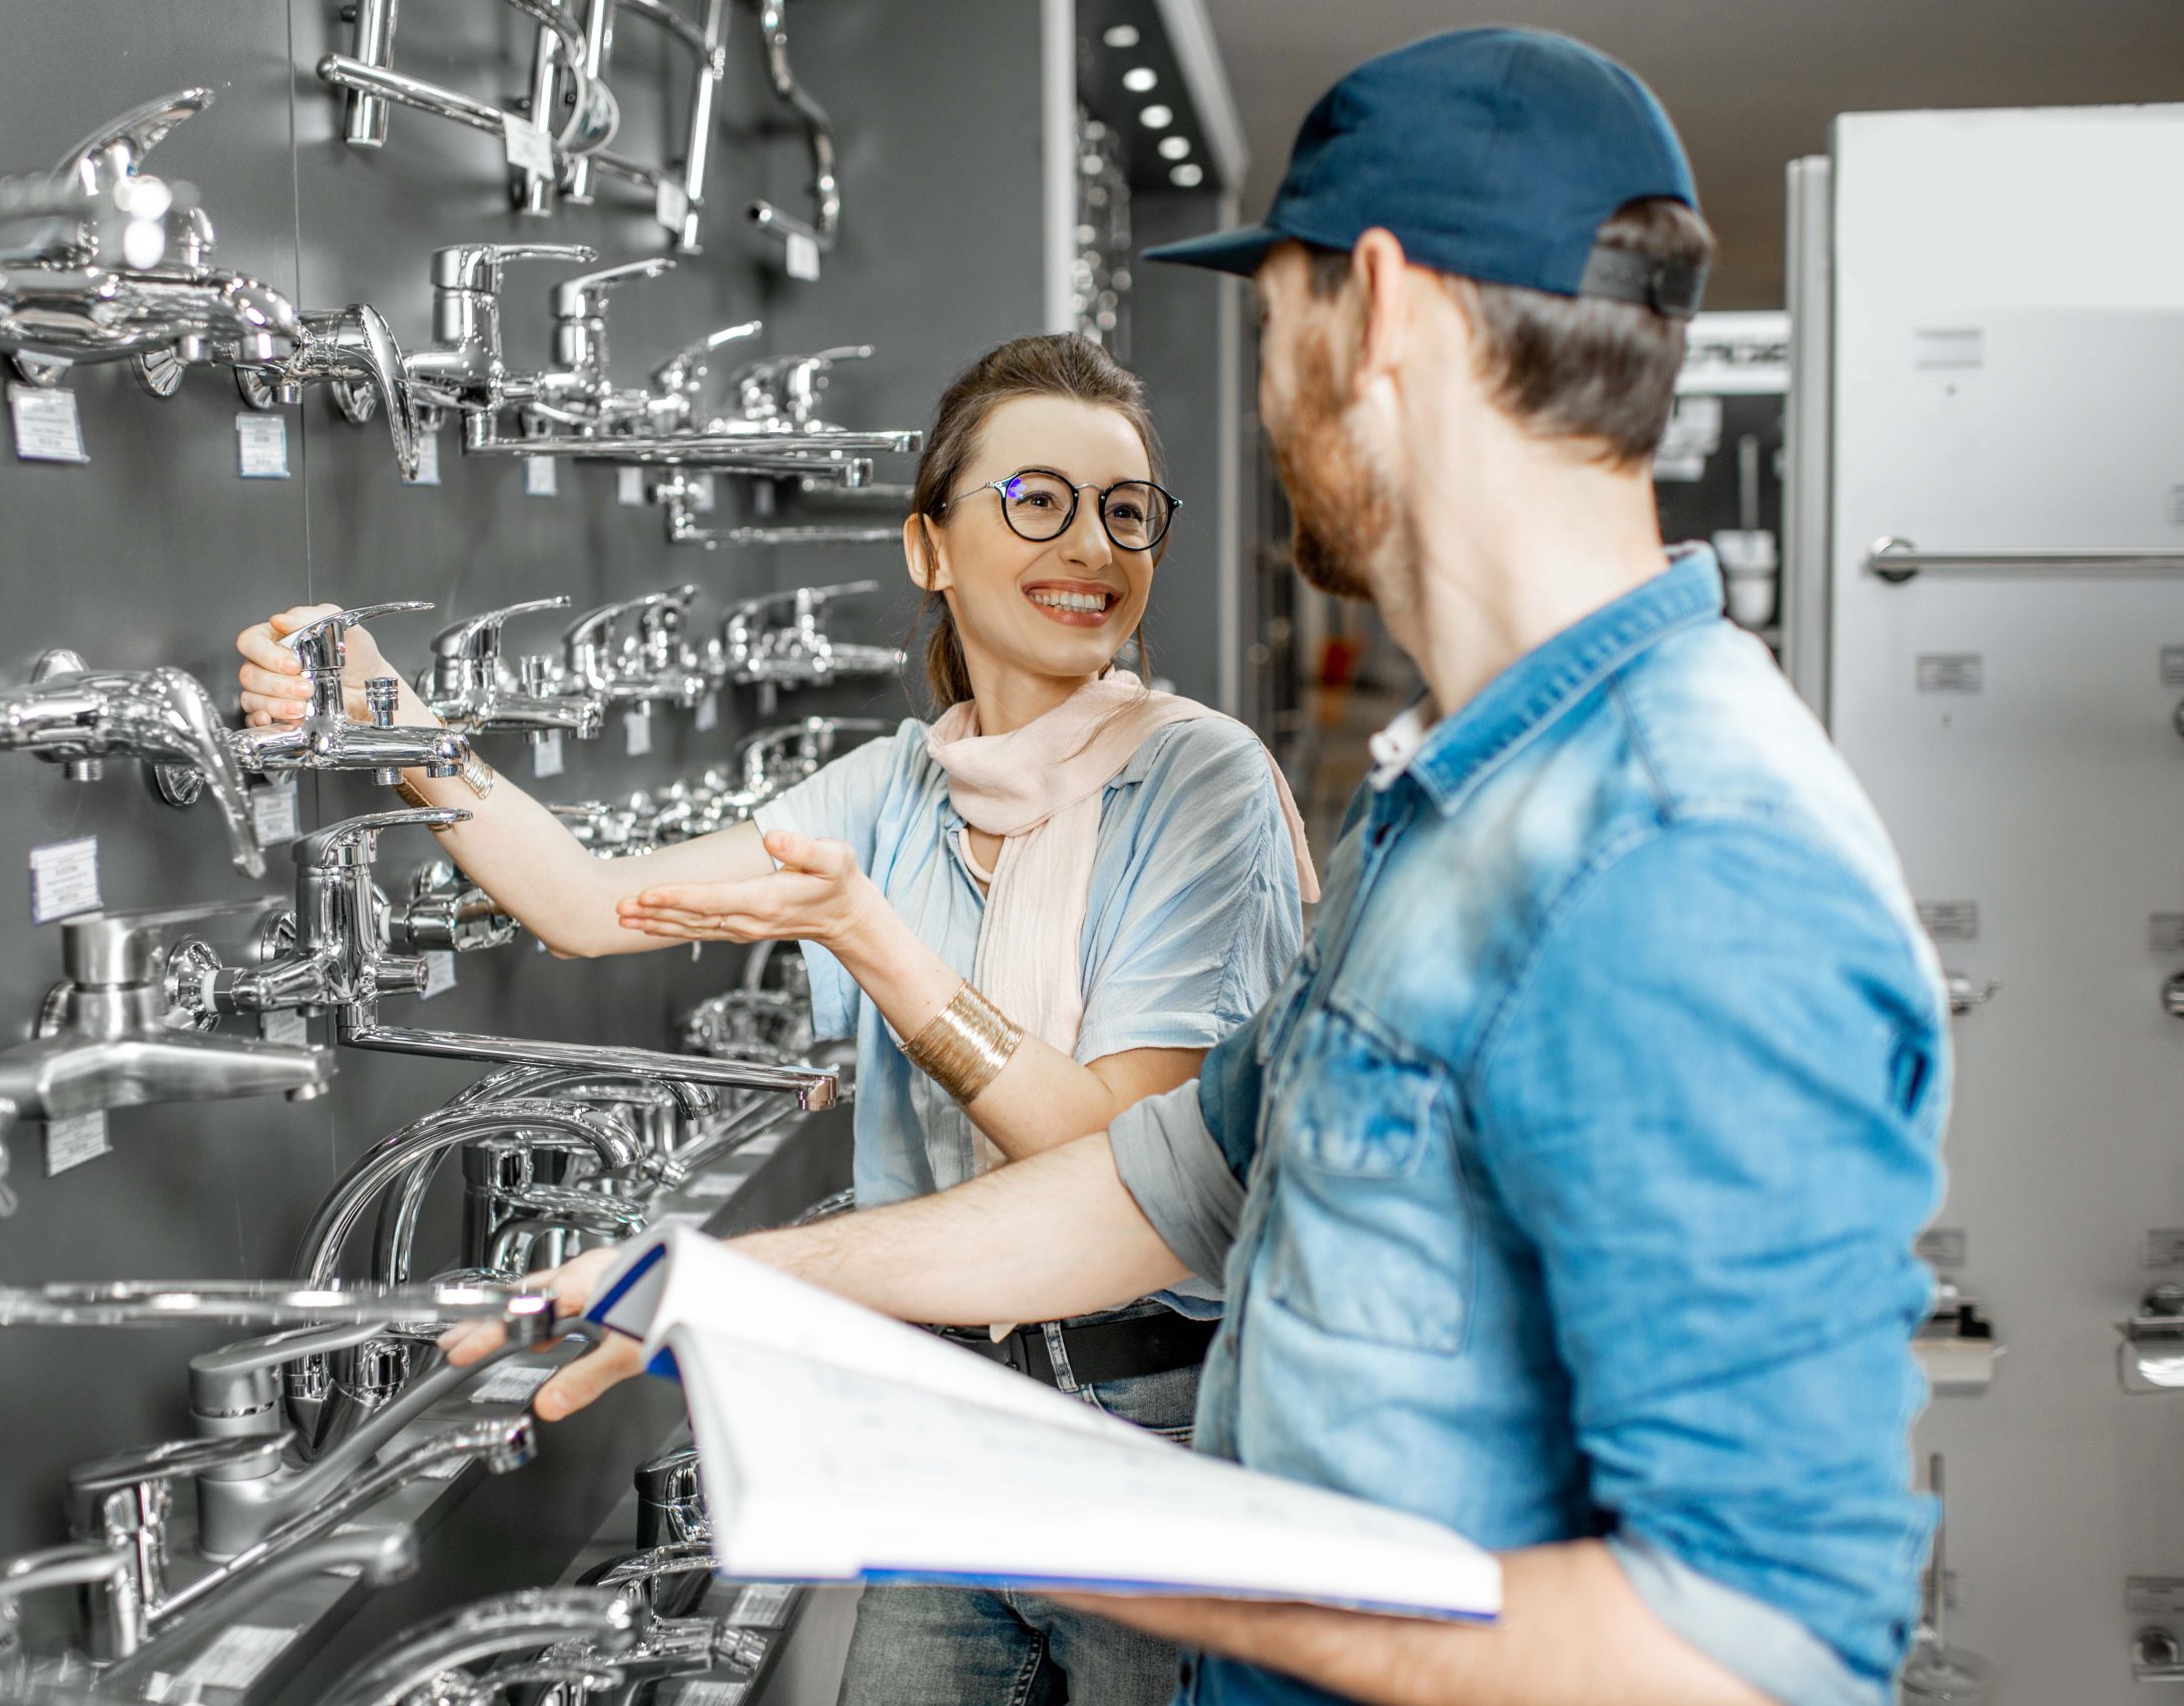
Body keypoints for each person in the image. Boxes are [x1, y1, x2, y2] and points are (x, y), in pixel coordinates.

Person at [448, 28, 1949, 1706]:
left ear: (1370, 308)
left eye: (1272, 317)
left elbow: (1759, 1655)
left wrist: (1086, 1520)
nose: (1260, 385)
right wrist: (731, 1289)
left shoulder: (1680, 857)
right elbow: (1167, 1178)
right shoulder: (1453, 810)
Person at [234, 332, 1315, 1706]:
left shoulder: (1198, 783)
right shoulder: (894, 783)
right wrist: (404, 733)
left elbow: (1111, 1156)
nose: (1088, 546)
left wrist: (876, 939)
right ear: (929, 546)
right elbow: (588, 902)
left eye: (1123, 510)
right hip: (944, 1415)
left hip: (1154, 1423)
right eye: (1036, 499)